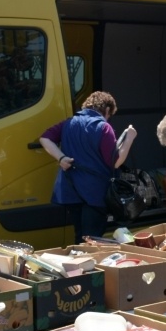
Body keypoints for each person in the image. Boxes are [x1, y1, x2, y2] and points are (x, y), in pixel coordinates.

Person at [39, 91, 136, 243]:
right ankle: (88, 265)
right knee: (93, 239)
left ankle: (79, 263)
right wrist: (129, 138)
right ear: (107, 110)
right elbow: (115, 162)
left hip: (71, 191)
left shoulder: (69, 123)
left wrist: (61, 157)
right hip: (95, 193)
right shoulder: (103, 127)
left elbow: (45, 138)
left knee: (80, 237)